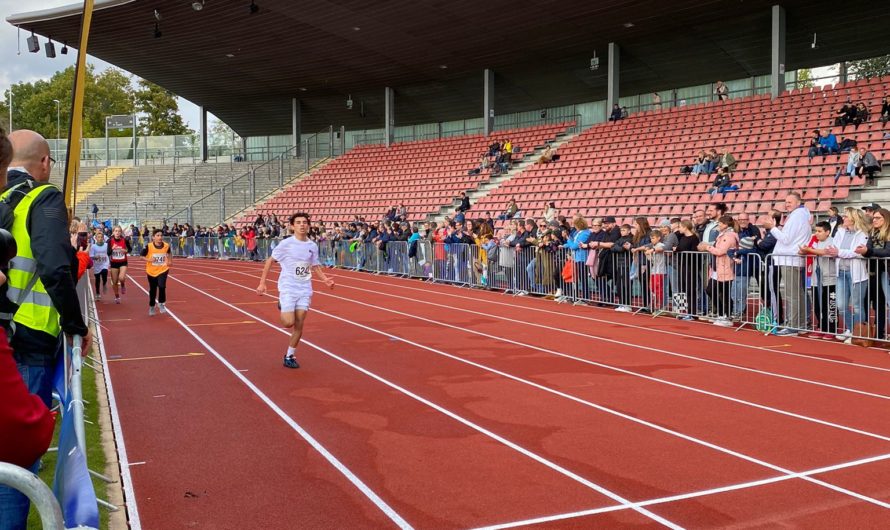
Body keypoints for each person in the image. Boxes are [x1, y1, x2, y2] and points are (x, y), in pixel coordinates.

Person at [1, 129, 90, 528]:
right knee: (14, 458)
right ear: (45, 163)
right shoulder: (44, 196)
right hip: (28, 338)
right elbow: (55, 265)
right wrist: (75, 324)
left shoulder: (3, 198)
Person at [257, 213, 335, 369]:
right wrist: (262, 283)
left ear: (309, 225)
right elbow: (270, 261)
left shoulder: (312, 246)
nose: (302, 225)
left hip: (305, 289)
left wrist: (325, 279)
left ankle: (289, 355)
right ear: (292, 226)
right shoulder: (286, 244)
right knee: (288, 323)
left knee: (299, 324)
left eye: (305, 222)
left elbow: (314, 265)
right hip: (288, 287)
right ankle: (281, 303)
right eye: (298, 222)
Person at [761, 192, 812, 335]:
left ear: (798, 202)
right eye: (786, 202)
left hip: (790, 260)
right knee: (798, 294)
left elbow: (786, 239)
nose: (787, 204)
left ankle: (794, 325)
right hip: (792, 259)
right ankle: (801, 324)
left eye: (790, 201)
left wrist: (773, 228)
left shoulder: (796, 216)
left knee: (793, 295)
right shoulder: (801, 215)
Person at [824, 207, 869, 342]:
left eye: (846, 216)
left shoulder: (863, 233)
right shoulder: (840, 231)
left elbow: (856, 252)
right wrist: (839, 252)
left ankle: (858, 333)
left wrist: (839, 252)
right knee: (841, 305)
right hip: (841, 272)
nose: (843, 218)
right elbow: (834, 248)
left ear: (854, 219)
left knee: (856, 306)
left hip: (857, 274)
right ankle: (850, 329)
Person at [800, 221, 837, 340]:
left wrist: (809, 250)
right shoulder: (814, 241)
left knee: (829, 304)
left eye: (820, 231)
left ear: (827, 232)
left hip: (829, 278)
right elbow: (801, 252)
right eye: (816, 231)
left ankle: (831, 329)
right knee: (818, 304)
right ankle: (821, 327)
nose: (817, 233)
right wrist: (805, 250)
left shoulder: (832, 241)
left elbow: (825, 252)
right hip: (816, 278)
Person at [140, 229, 172, 316]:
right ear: (153, 237)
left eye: (161, 235)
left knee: (162, 286)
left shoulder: (166, 245)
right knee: (153, 290)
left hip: (163, 269)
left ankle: (161, 303)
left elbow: (169, 253)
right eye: (157, 235)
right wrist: (149, 259)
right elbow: (141, 256)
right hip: (151, 271)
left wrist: (169, 261)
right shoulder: (149, 246)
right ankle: (152, 306)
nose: (160, 237)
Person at [107, 225, 132, 304]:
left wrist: (126, 251)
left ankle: (123, 284)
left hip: (123, 262)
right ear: (113, 232)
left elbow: (130, 249)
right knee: (114, 282)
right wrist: (112, 249)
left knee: (121, 278)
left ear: (121, 232)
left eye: (119, 231)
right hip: (114, 263)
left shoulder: (124, 240)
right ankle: (117, 296)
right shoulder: (110, 241)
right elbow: (108, 253)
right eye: (116, 231)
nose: (117, 232)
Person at [90, 229, 109, 300]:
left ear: (103, 238)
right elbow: (91, 257)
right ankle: (97, 293)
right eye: (99, 237)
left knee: (104, 272)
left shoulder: (106, 245)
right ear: (96, 238)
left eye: (101, 237)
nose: (100, 238)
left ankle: (104, 284)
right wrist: (95, 257)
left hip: (105, 263)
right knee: (97, 279)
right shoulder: (93, 246)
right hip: (97, 264)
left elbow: (110, 252)